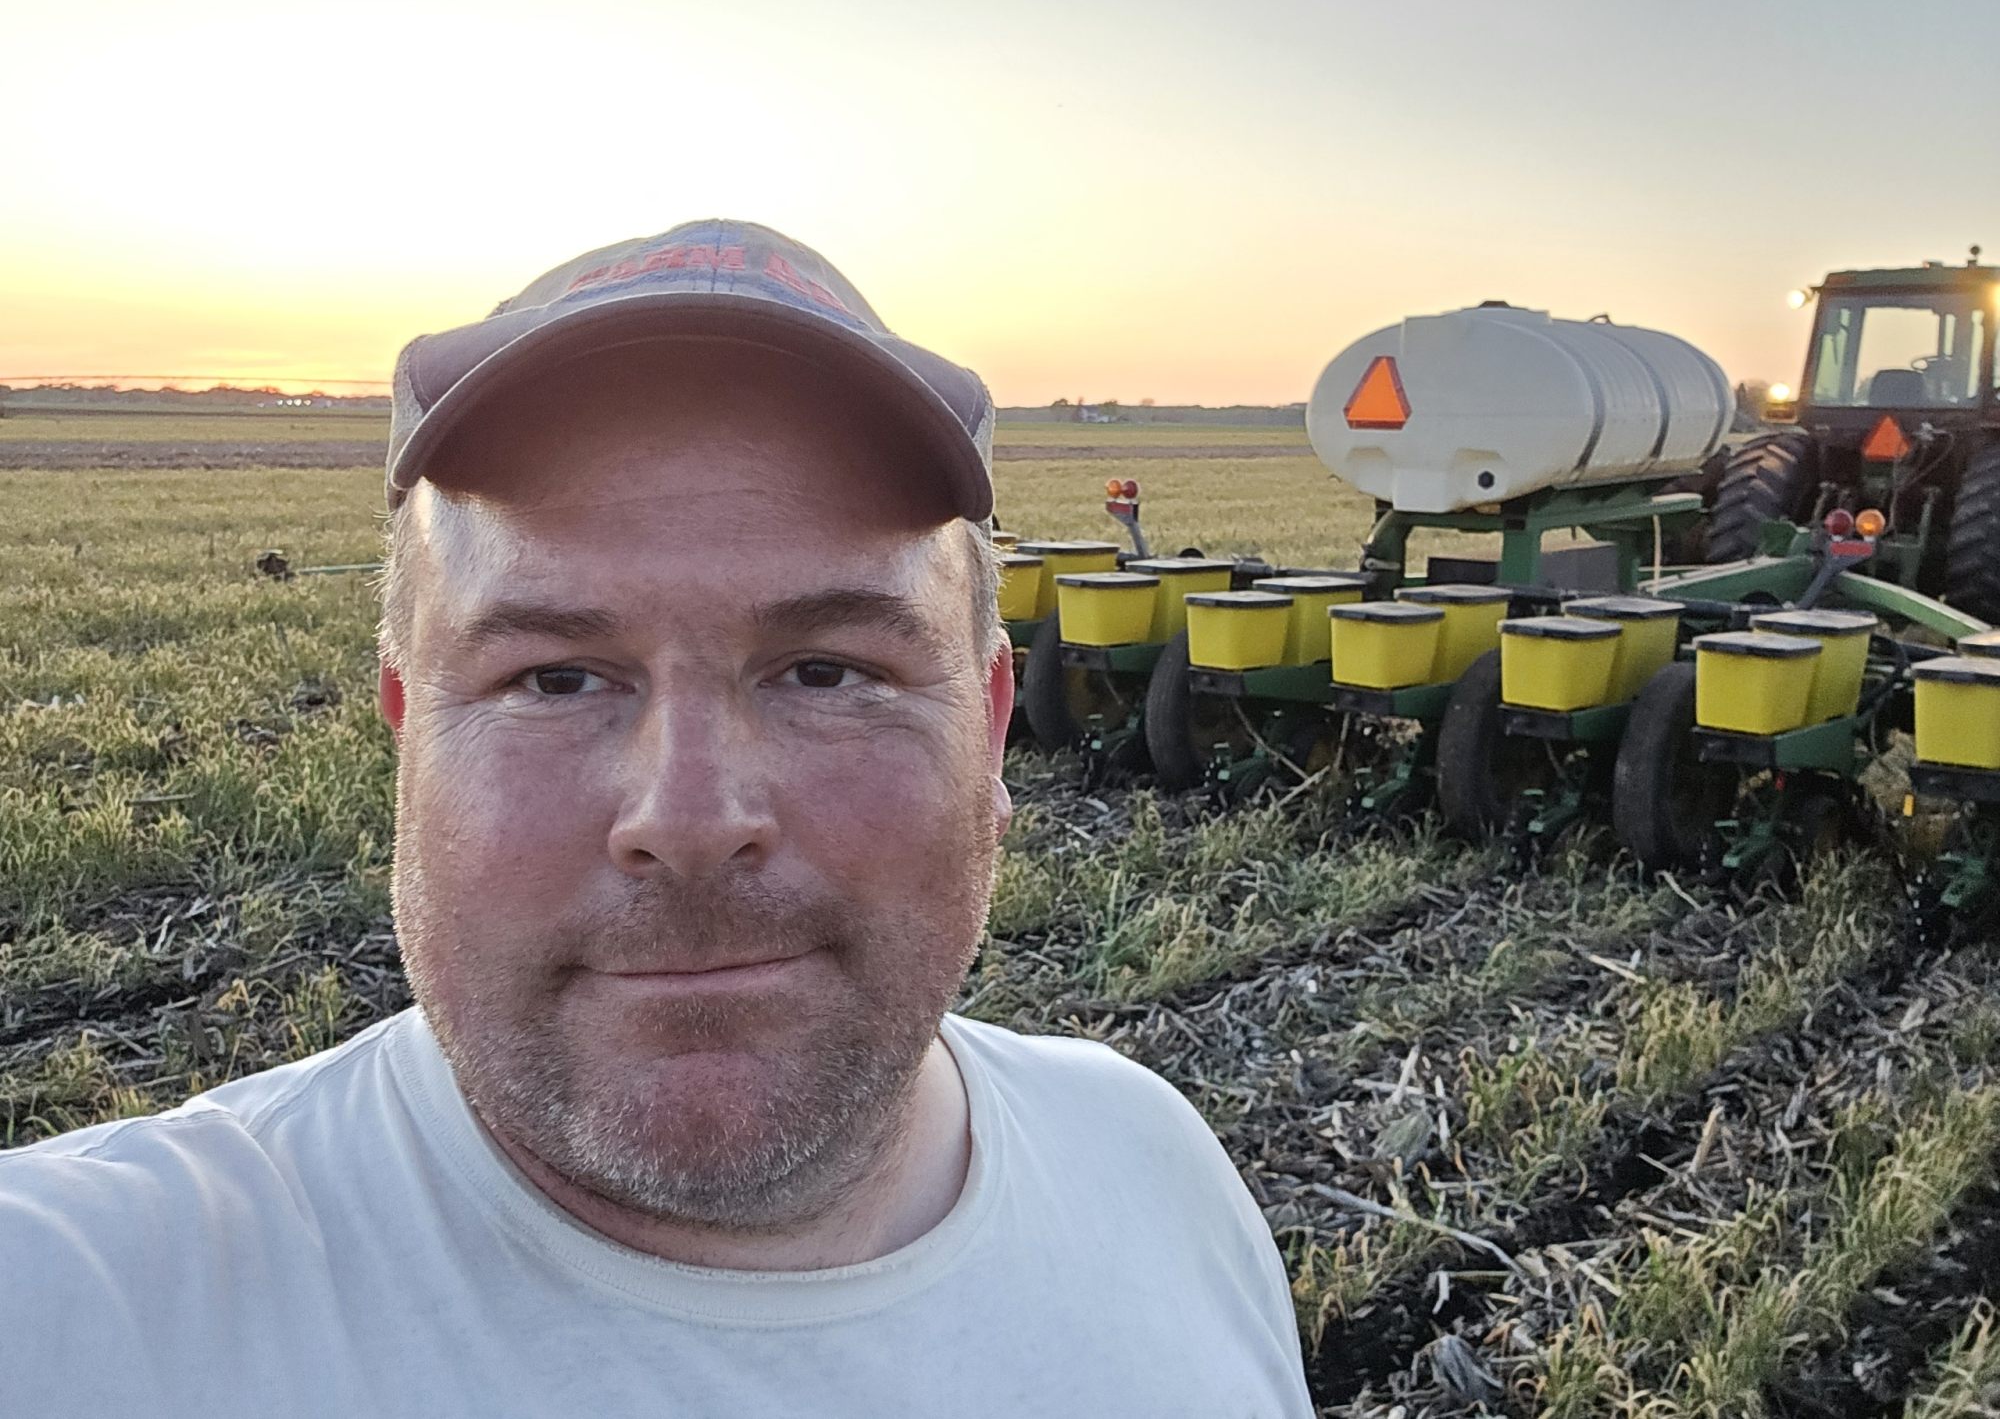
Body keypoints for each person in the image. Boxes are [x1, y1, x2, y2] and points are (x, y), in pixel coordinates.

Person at [0, 220, 1314, 1417]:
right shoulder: (86, 1310)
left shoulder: (1152, 1166)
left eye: (826, 671)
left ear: (988, 725)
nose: (689, 819)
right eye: (555, 680)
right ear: (408, 736)